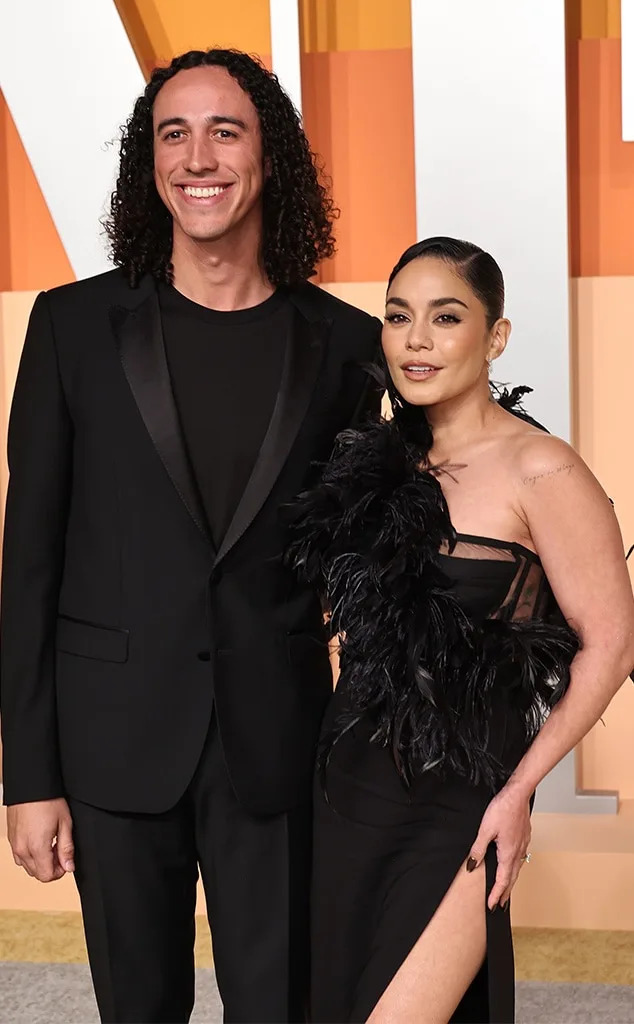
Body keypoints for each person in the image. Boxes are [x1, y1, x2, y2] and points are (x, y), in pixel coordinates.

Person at [0, 48, 380, 1023]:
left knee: (282, 1005)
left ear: (270, 157)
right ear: (148, 161)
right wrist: (28, 777)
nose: (196, 155)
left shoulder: (342, 345)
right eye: (173, 132)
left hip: (278, 740)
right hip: (112, 739)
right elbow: (28, 566)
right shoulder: (73, 328)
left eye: (225, 129)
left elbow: (367, 549)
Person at [286, 237, 634, 1023]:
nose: (417, 340)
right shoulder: (375, 462)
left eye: (446, 317)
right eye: (399, 317)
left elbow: (612, 643)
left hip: (461, 801)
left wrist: (518, 792)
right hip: (348, 787)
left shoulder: (542, 468)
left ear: (496, 337)